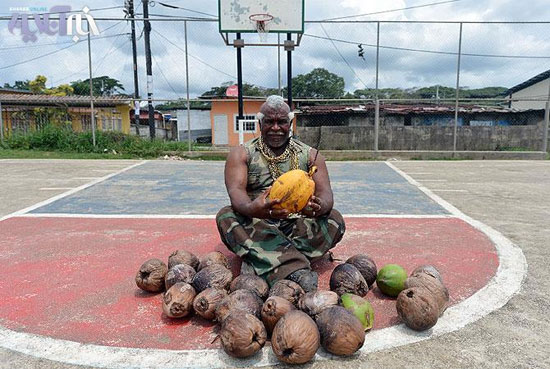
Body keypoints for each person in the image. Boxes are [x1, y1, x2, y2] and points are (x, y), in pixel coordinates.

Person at [216, 95, 345, 292]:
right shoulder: (242, 153)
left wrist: (318, 208)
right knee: (226, 216)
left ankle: (264, 259)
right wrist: (254, 208)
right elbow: (236, 194)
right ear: (260, 123)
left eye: (282, 122)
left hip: (298, 223)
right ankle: (296, 268)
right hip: (258, 224)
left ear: (290, 123)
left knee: (335, 219)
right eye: (269, 121)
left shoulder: (310, 155)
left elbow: (326, 195)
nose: (275, 127)